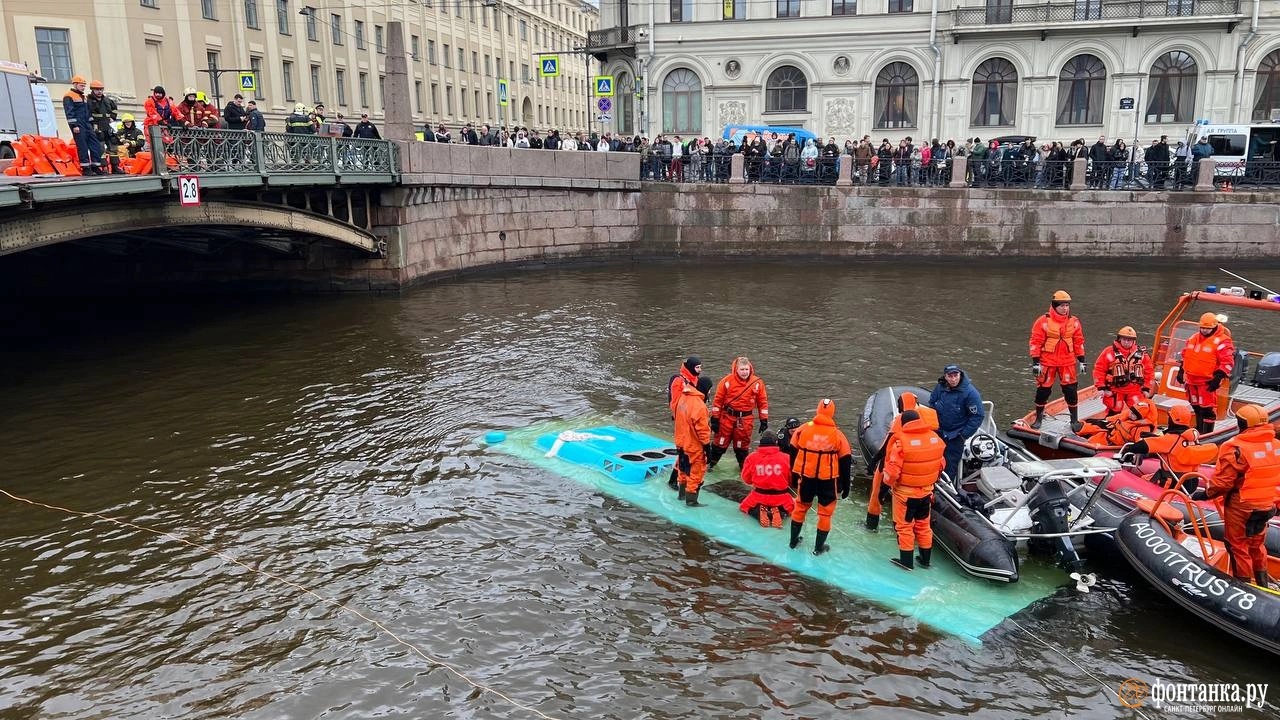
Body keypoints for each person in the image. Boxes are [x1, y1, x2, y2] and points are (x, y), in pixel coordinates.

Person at [1200, 404, 1280, 587]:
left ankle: (1243, 586)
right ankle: (1262, 583)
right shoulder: (1276, 446)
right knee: (1257, 545)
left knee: (1238, 546)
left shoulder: (1236, 448)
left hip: (1242, 505)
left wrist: (1205, 494)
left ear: (1242, 423)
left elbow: (1223, 483)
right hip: (1267, 504)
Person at [788, 399, 853, 556]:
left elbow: (792, 451)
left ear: (817, 410)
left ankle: (793, 541)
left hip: (806, 478)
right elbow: (846, 460)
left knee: (800, 507)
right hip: (827, 480)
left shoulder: (803, 429)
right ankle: (818, 548)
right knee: (825, 514)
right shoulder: (837, 434)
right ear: (832, 412)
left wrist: (794, 476)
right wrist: (845, 486)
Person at [883, 409, 946, 570]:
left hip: (905, 494)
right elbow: (941, 465)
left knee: (904, 527)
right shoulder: (934, 439)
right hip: (926, 492)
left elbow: (892, 472)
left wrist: (886, 485)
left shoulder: (901, 443)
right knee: (923, 526)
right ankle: (925, 561)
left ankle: (906, 562)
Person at [866, 391, 938, 531]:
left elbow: (887, 446)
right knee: (920, 518)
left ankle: (871, 525)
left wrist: (873, 462)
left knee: (877, 495)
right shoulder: (923, 420)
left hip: (893, 464)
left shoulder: (900, 420)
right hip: (920, 474)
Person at [1122, 402, 1217, 493]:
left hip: (1173, 482)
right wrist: (1155, 437)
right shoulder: (1192, 438)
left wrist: (1127, 450)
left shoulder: (1170, 439)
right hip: (1192, 481)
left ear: (1172, 420)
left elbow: (1143, 446)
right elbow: (1175, 448)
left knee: (1142, 481)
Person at [1029, 290, 1086, 432]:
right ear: (1054, 306)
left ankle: (1074, 420)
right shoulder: (1043, 321)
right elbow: (1035, 342)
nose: (1065, 308)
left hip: (1067, 362)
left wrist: (1082, 361)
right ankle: (1038, 418)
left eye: (1067, 305)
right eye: (1062, 305)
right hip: (1047, 362)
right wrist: (1036, 363)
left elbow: (1078, 342)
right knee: (1043, 390)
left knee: (1071, 390)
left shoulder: (1074, 322)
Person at [709, 356, 769, 472]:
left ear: (750, 369)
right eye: (742, 369)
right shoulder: (726, 381)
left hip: (745, 420)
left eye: (746, 369)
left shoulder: (757, 383)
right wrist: (715, 419)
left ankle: (743, 469)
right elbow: (718, 401)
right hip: (727, 417)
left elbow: (763, 402)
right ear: (736, 369)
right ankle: (710, 465)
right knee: (719, 444)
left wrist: (764, 420)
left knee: (742, 447)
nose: (745, 372)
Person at [1178, 312, 1235, 433]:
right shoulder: (1193, 338)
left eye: (1207, 329)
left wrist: (1218, 377)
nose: (1204, 330)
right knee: (1196, 407)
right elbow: (1185, 355)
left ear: (1214, 327)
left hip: (1207, 382)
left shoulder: (1223, 341)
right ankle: (1199, 429)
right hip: (1191, 380)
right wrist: (1181, 370)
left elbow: (1228, 362)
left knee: (1207, 410)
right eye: (1202, 328)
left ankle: (1207, 434)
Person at [929, 364, 985, 483]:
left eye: (956, 375)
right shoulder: (940, 387)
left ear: (960, 375)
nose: (953, 379)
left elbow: (977, 416)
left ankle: (947, 488)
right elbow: (932, 403)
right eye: (950, 376)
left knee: (950, 465)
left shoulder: (970, 393)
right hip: (939, 431)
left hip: (956, 435)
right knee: (932, 459)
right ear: (946, 377)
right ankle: (931, 482)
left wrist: (963, 435)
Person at [1093, 326, 1153, 414]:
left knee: (1139, 411)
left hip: (1134, 389)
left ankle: (1131, 426)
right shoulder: (1109, 352)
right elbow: (1099, 370)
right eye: (1124, 339)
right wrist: (1101, 387)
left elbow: (1149, 372)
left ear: (1133, 341)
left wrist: (1146, 388)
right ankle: (1111, 424)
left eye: (1129, 340)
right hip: (1115, 389)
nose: (1126, 342)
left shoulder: (1142, 355)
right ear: (1119, 339)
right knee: (1114, 410)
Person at [738, 434, 794, 528]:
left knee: (745, 507)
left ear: (760, 445)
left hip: (758, 495)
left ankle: (759, 512)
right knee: (792, 508)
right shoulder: (787, 458)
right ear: (776, 443)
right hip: (781, 496)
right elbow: (793, 480)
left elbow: (746, 479)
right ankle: (779, 511)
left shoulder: (752, 457)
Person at [673, 378, 712, 507]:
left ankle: (681, 495)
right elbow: (703, 431)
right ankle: (691, 500)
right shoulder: (700, 406)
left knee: (683, 470)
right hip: (693, 446)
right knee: (695, 474)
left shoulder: (684, 397)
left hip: (681, 443)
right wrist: (707, 448)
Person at [667, 356, 703, 491]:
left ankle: (679, 478)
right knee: (683, 451)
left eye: (700, 367)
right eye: (697, 367)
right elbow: (675, 403)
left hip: (689, 420)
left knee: (685, 451)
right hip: (683, 421)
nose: (700, 370)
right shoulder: (679, 381)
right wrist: (682, 418)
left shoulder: (694, 379)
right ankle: (673, 480)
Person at [62, 75, 104, 175]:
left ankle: (95, 166)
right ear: (75, 84)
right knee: (83, 147)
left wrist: (92, 123)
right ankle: (86, 168)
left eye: (84, 86)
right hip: (78, 125)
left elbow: (87, 112)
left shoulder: (83, 97)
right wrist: (74, 126)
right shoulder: (69, 96)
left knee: (95, 145)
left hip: (87, 124)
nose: (83, 87)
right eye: (81, 85)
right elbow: (69, 112)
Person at [1079, 398, 1159, 446]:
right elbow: (1118, 417)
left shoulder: (1142, 428)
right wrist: (1106, 420)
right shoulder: (1130, 415)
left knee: (1097, 432)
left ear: (1139, 417)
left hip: (1113, 439)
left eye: (1133, 414)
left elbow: (1139, 442)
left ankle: (1081, 433)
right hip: (1112, 428)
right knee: (1093, 422)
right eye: (1131, 412)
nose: (1130, 414)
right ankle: (1079, 428)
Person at [86, 80, 118, 173]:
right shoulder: (88, 101)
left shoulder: (107, 100)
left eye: (101, 89)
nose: (99, 91)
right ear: (92, 90)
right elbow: (87, 113)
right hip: (97, 126)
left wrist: (113, 117)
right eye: (97, 90)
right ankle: (103, 167)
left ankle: (115, 167)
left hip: (107, 125)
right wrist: (92, 124)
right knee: (100, 148)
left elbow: (114, 109)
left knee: (113, 146)